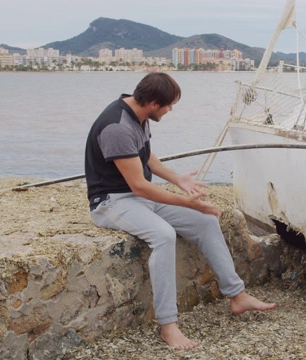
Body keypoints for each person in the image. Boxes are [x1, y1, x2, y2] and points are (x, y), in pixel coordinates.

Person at [84, 72, 276, 350]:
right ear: (152, 103)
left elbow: (145, 155)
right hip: (111, 202)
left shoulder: (138, 115)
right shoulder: (116, 127)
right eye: (169, 105)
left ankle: (237, 295)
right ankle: (168, 326)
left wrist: (178, 180)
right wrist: (187, 201)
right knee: (163, 235)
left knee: (205, 221)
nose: (171, 110)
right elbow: (139, 186)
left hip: (138, 198)